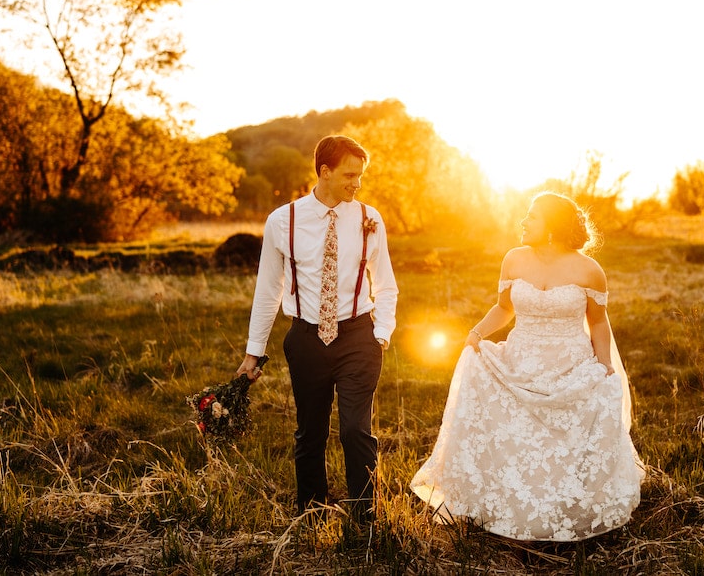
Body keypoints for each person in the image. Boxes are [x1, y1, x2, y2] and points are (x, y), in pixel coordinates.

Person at [411, 192, 644, 541]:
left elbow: (597, 323)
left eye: (532, 217)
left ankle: (567, 507)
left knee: (573, 427)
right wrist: (476, 333)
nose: (523, 222)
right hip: (520, 361)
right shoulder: (514, 260)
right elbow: (504, 309)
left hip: (569, 366)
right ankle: (499, 502)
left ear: (552, 227)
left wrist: (604, 365)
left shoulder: (589, 270)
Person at [236, 135, 398, 522]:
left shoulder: (369, 219)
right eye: (349, 175)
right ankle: (312, 514)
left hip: (359, 335)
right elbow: (268, 290)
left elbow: (386, 282)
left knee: (356, 431)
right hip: (307, 338)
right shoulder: (283, 221)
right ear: (324, 172)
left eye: (360, 176)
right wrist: (252, 352)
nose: (357, 184)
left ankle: (365, 518)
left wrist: (382, 332)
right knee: (310, 434)